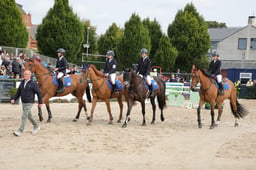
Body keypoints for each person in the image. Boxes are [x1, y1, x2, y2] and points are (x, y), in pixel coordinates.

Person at [11, 70, 43, 137]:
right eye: (24, 74)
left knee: (24, 116)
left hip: (30, 102)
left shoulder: (33, 84)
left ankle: (20, 131)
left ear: (29, 75)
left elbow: (39, 93)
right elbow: (18, 92)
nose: (24, 75)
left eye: (26, 74)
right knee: (29, 115)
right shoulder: (22, 83)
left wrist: (40, 102)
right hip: (24, 102)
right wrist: (14, 98)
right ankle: (36, 126)